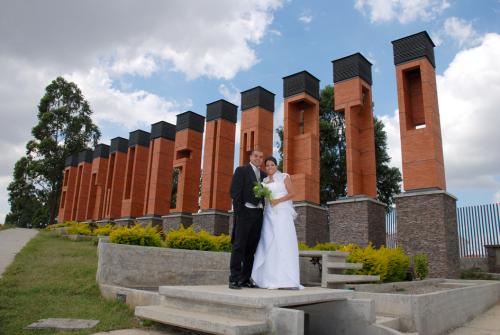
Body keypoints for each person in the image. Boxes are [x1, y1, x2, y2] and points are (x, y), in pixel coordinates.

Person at [251, 156, 303, 290]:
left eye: (272, 165)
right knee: (268, 243)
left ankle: (287, 279)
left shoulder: (285, 177)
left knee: (283, 242)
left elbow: (292, 193)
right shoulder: (264, 181)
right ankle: (267, 278)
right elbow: (265, 198)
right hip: (269, 214)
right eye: (267, 166)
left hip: (282, 213)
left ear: (276, 166)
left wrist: (278, 201)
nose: (270, 168)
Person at [229, 149, 267, 289]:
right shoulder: (241, 170)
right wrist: (239, 213)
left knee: (251, 248)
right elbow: (234, 192)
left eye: (261, 157)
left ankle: (245, 279)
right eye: (256, 156)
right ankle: (234, 278)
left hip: (258, 214)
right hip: (244, 213)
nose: (258, 158)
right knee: (239, 246)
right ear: (251, 157)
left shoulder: (264, 175)